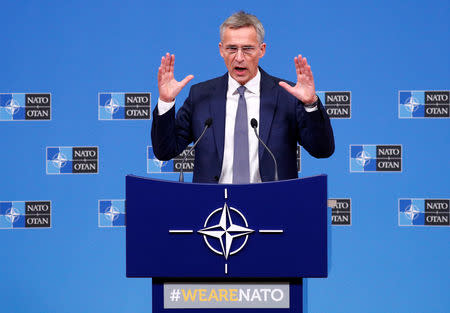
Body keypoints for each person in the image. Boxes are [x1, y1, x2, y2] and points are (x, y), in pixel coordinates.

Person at [151, 11, 334, 184]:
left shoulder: (286, 96)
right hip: (214, 210)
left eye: (247, 49)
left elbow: (322, 150)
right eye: (232, 49)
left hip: (273, 208)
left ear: (261, 50)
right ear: (221, 50)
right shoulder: (201, 95)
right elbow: (165, 151)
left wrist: (311, 104)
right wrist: (166, 102)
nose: (239, 58)